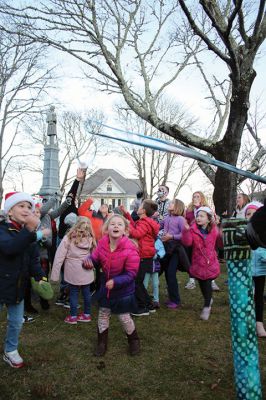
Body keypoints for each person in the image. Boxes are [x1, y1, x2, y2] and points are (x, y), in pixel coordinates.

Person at [83, 214, 140, 356]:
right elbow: (95, 258)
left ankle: (134, 341)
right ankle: (101, 343)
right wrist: (89, 261)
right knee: (103, 315)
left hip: (123, 291)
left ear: (125, 230)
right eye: (112, 224)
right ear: (107, 228)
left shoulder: (130, 248)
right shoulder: (102, 244)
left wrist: (116, 281)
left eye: (119, 224)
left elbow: (131, 273)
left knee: (124, 317)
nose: (115, 226)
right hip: (106, 290)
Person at [0, 192, 46, 368]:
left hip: (18, 285)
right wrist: (28, 230)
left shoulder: (29, 234)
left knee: (16, 322)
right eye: (21, 206)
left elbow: (33, 259)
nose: (27, 209)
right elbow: (10, 248)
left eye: (29, 207)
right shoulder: (3, 229)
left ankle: (10, 349)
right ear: (9, 212)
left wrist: (40, 276)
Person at [51, 217, 96, 324]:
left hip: (72, 270)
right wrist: (94, 265)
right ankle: (87, 314)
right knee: (86, 292)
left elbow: (59, 256)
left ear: (76, 224)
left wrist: (54, 275)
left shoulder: (69, 237)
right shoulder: (91, 238)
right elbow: (95, 255)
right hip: (86, 269)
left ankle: (73, 316)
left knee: (74, 292)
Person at [182, 206, 223, 321]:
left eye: (202, 216)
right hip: (198, 263)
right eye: (197, 216)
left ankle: (207, 306)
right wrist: (185, 231)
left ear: (209, 219)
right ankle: (208, 299)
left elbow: (220, 244)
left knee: (207, 283)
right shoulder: (193, 229)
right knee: (201, 283)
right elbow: (188, 243)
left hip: (210, 263)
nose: (198, 218)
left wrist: (221, 230)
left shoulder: (214, 230)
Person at [121, 200, 160, 316]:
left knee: (136, 281)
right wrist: (126, 214)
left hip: (143, 255)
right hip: (146, 255)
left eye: (140, 206)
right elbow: (135, 226)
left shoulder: (144, 223)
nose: (138, 207)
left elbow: (137, 233)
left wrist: (127, 225)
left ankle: (141, 307)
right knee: (138, 281)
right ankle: (149, 304)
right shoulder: (145, 222)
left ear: (143, 211)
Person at [185, 191, 220, 292]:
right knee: (193, 258)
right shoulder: (190, 210)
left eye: (197, 196)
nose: (195, 198)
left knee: (209, 258)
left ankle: (212, 281)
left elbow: (214, 220)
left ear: (202, 198)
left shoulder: (207, 209)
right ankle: (191, 280)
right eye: (194, 196)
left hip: (206, 238)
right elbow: (187, 221)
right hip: (194, 237)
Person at [160, 199, 190, 309]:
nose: (169, 204)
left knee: (171, 273)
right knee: (167, 274)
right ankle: (171, 298)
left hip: (176, 250)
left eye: (172, 203)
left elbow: (184, 235)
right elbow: (159, 226)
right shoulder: (167, 218)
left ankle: (176, 300)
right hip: (166, 249)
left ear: (177, 206)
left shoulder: (181, 219)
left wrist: (171, 236)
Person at [245, 202, 266, 337]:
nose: (250, 216)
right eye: (248, 214)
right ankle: (246, 322)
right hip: (246, 272)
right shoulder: (245, 234)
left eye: (253, 214)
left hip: (260, 272)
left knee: (258, 296)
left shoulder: (261, 235)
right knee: (246, 297)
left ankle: (259, 323)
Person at [143, 235, 165, 309]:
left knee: (156, 283)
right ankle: (143, 300)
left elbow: (162, 250)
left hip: (155, 266)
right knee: (144, 284)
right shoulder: (144, 239)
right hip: (146, 266)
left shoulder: (158, 240)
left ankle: (156, 300)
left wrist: (158, 255)